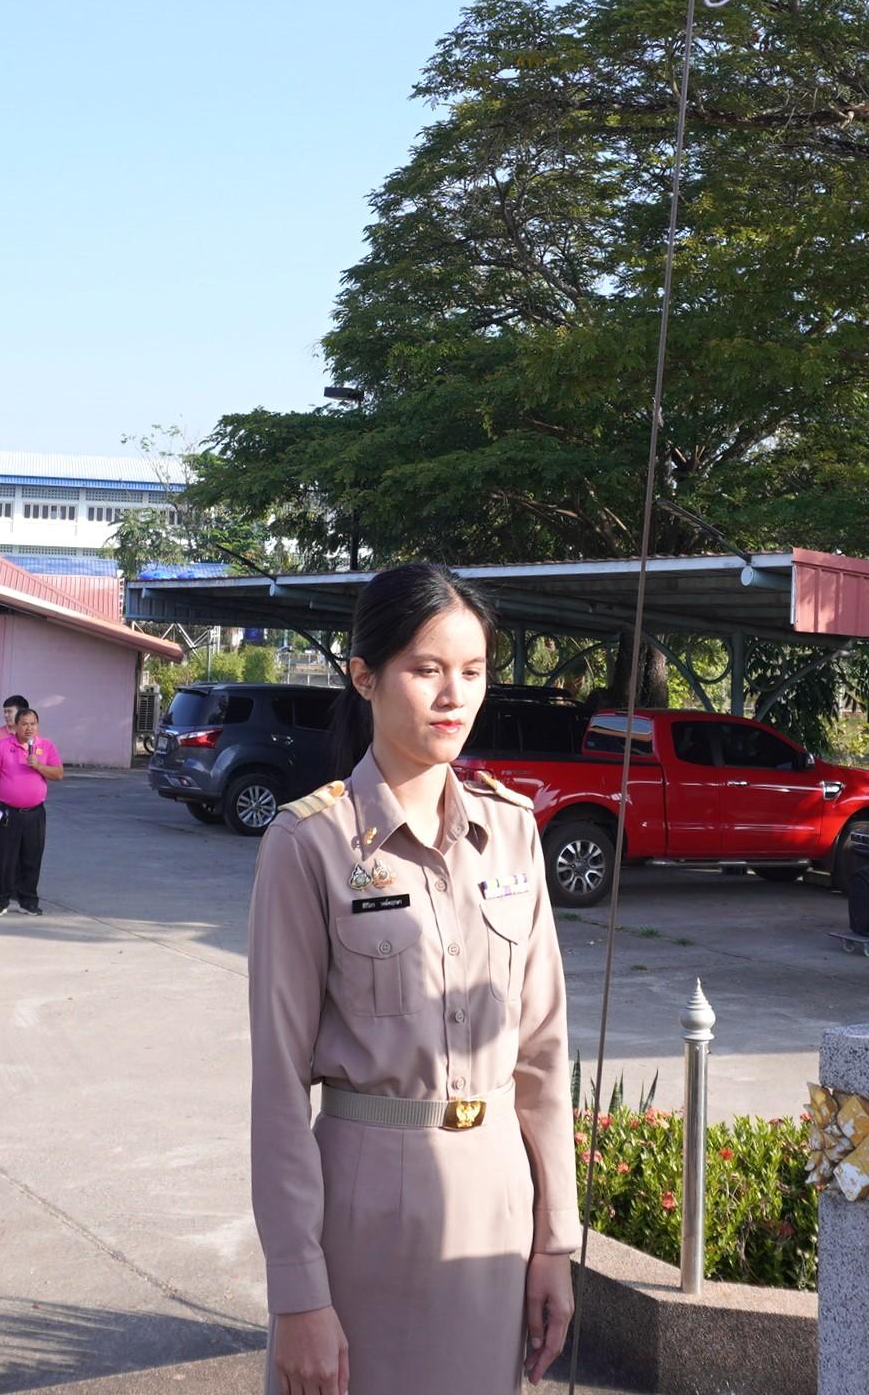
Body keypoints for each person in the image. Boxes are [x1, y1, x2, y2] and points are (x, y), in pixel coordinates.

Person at [248, 563, 575, 1395]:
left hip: (497, 1207)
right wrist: (298, 1293)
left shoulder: (510, 832)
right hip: (367, 1211)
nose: (451, 695)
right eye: (425, 669)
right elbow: (279, 1085)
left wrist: (554, 1242)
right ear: (365, 675)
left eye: (471, 671)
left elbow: (542, 1055)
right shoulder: (309, 844)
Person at [0, 703, 61, 918]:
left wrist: (38, 766)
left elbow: (58, 774)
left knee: (32, 857)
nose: (29, 728)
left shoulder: (46, 747)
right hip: (8, 812)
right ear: (15, 726)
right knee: (4, 858)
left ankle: (28, 901)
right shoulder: (1, 746)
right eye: (24, 724)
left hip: (35, 813)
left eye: (33, 724)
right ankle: (0, 901)